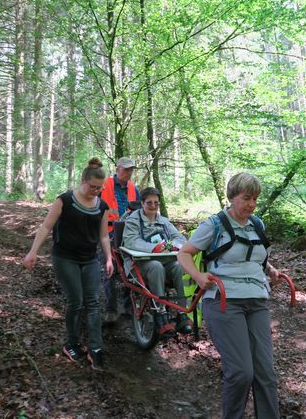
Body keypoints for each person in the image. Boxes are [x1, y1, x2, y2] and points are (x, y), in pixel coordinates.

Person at [177, 173, 285, 419]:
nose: (251, 204)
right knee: (241, 372)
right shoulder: (213, 225)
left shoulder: (257, 224)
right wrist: (198, 276)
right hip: (224, 301)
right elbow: (183, 254)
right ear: (232, 196)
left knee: (265, 373)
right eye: (247, 198)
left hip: (257, 300)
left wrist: (271, 269)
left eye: (255, 199)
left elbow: (256, 256)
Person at [23, 157, 113, 371]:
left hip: (90, 258)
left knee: (93, 302)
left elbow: (103, 236)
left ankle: (95, 348)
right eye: (92, 187)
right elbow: (46, 227)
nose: (96, 191)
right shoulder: (65, 200)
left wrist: (108, 258)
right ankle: (71, 343)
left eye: (99, 188)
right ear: (82, 181)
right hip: (65, 258)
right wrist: (33, 252)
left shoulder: (102, 206)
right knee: (76, 301)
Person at [122, 187, 192, 337]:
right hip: (140, 264)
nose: (153, 206)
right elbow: (130, 241)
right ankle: (160, 314)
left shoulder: (163, 221)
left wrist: (174, 245)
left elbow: (179, 238)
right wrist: (154, 248)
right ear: (142, 203)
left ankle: (182, 313)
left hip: (165, 260)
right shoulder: (133, 220)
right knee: (156, 266)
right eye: (149, 203)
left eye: (156, 203)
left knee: (179, 266)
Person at [100, 157, 140, 324]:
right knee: (109, 270)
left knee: (130, 269)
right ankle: (110, 309)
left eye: (131, 170)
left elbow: (139, 210)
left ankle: (128, 306)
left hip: (128, 234)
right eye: (125, 169)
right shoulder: (105, 184)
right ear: (117, 169)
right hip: (107, 232)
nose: (128, 173)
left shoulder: (133, 188)